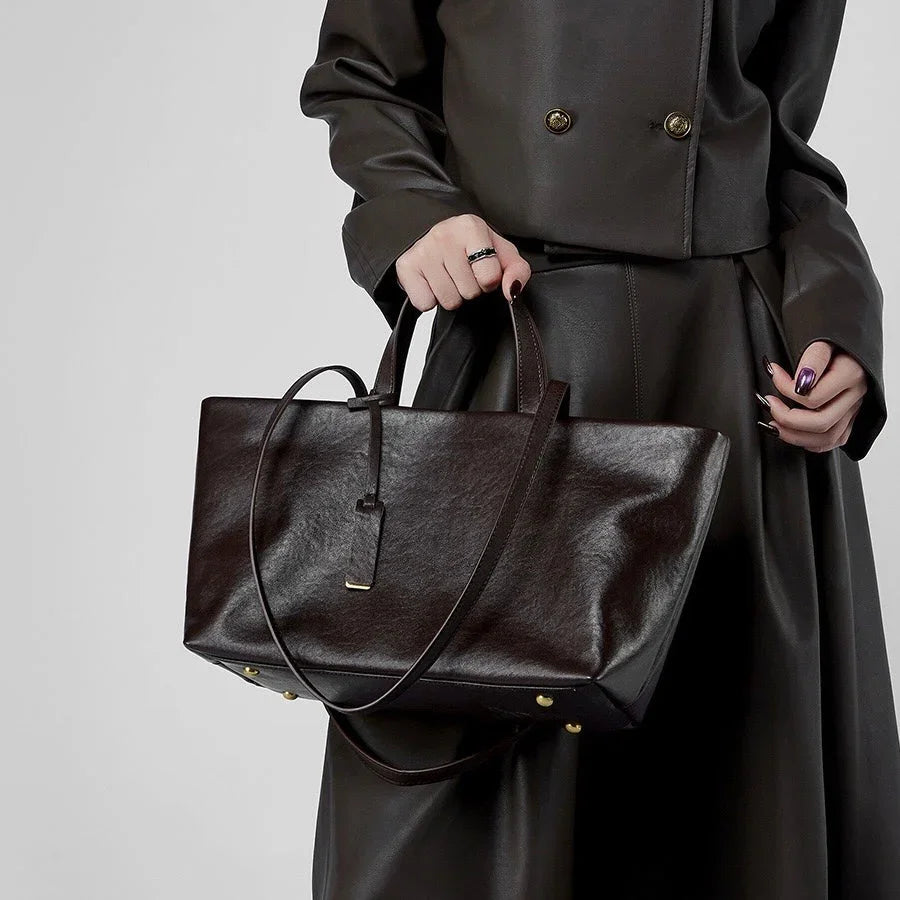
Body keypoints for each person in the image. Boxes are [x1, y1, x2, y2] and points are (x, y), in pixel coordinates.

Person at [298, 1, 900, 896]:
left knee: (730, 803)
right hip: (523, 340)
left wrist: (838, 309)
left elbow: (783, 145)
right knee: (473, 802)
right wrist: (417, 210)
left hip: (733, 380)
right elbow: (360, 76)